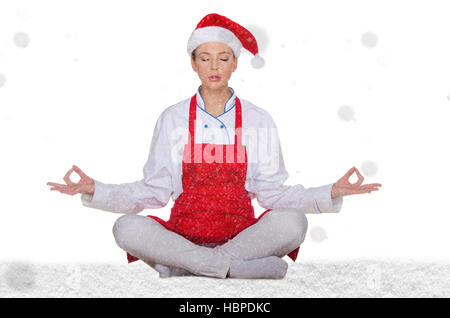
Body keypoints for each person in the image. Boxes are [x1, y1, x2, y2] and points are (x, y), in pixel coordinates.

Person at [47, 13, 382, 279]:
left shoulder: (258, 119)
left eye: (223, 58)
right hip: (183, 234)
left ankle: (187, 267)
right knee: (126, 227)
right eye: (205, 58)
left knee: (293, 221)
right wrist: (96, 189)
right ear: (193, 63)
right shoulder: (173, 118)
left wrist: (330, 192)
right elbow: (154, 191)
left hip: (242, 235)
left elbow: (274, 195)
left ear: (235, 63)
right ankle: (229, 269)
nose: (214, 67)